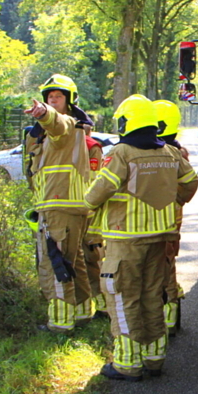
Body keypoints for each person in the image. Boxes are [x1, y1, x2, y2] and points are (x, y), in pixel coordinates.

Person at [86, 95, 198, 380]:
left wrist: (85, 210)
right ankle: (154, 357)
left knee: (123, 298)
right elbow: (190, 182)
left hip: (125, 240)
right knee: (151, 297)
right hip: (158, 238)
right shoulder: (171, 153)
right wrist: (176, 201)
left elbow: (99, 191)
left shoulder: (122, 153)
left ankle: (127, 363)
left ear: (127, 121)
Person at [23, 74, 94, 332]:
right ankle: (82, 312)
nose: (53, 100)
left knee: (55, 265)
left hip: (60, 207)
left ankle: (60, 324)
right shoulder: (43, 134)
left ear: (69, 101)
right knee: (73, 262)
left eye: (58, 96)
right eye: (49, 97)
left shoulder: (66, 126)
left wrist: (44, 114)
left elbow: (58, 124)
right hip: (63, 206)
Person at [154, 99, 189, 336]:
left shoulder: (167, 153)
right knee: (167, 265)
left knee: (162, 268)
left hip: (159, 222)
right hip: (171, 222)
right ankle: (170, 316)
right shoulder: (178, 151)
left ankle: (167, 317)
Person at [81, 133, 107, 317]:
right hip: (75, 214)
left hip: (89, 216)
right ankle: (89, 305)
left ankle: (103, 305)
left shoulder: (91, 147)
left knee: (92, 262)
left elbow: (96, 185)